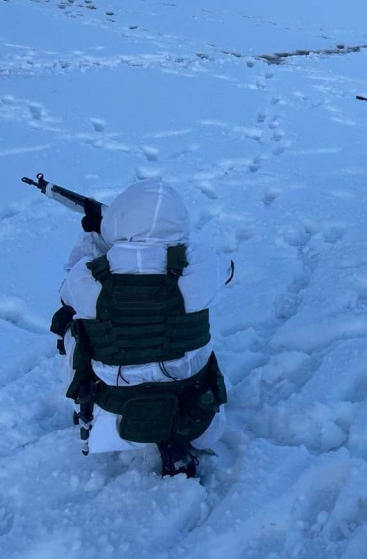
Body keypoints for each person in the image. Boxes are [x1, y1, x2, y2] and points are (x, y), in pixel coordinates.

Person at [51, 180, 232, 478]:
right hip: (195, 400)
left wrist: (94, 237)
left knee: (68, 322)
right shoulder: (202, 262)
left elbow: (66, 291)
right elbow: (228, 271)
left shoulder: (89, 275)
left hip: (117, 404)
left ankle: (86, 408)